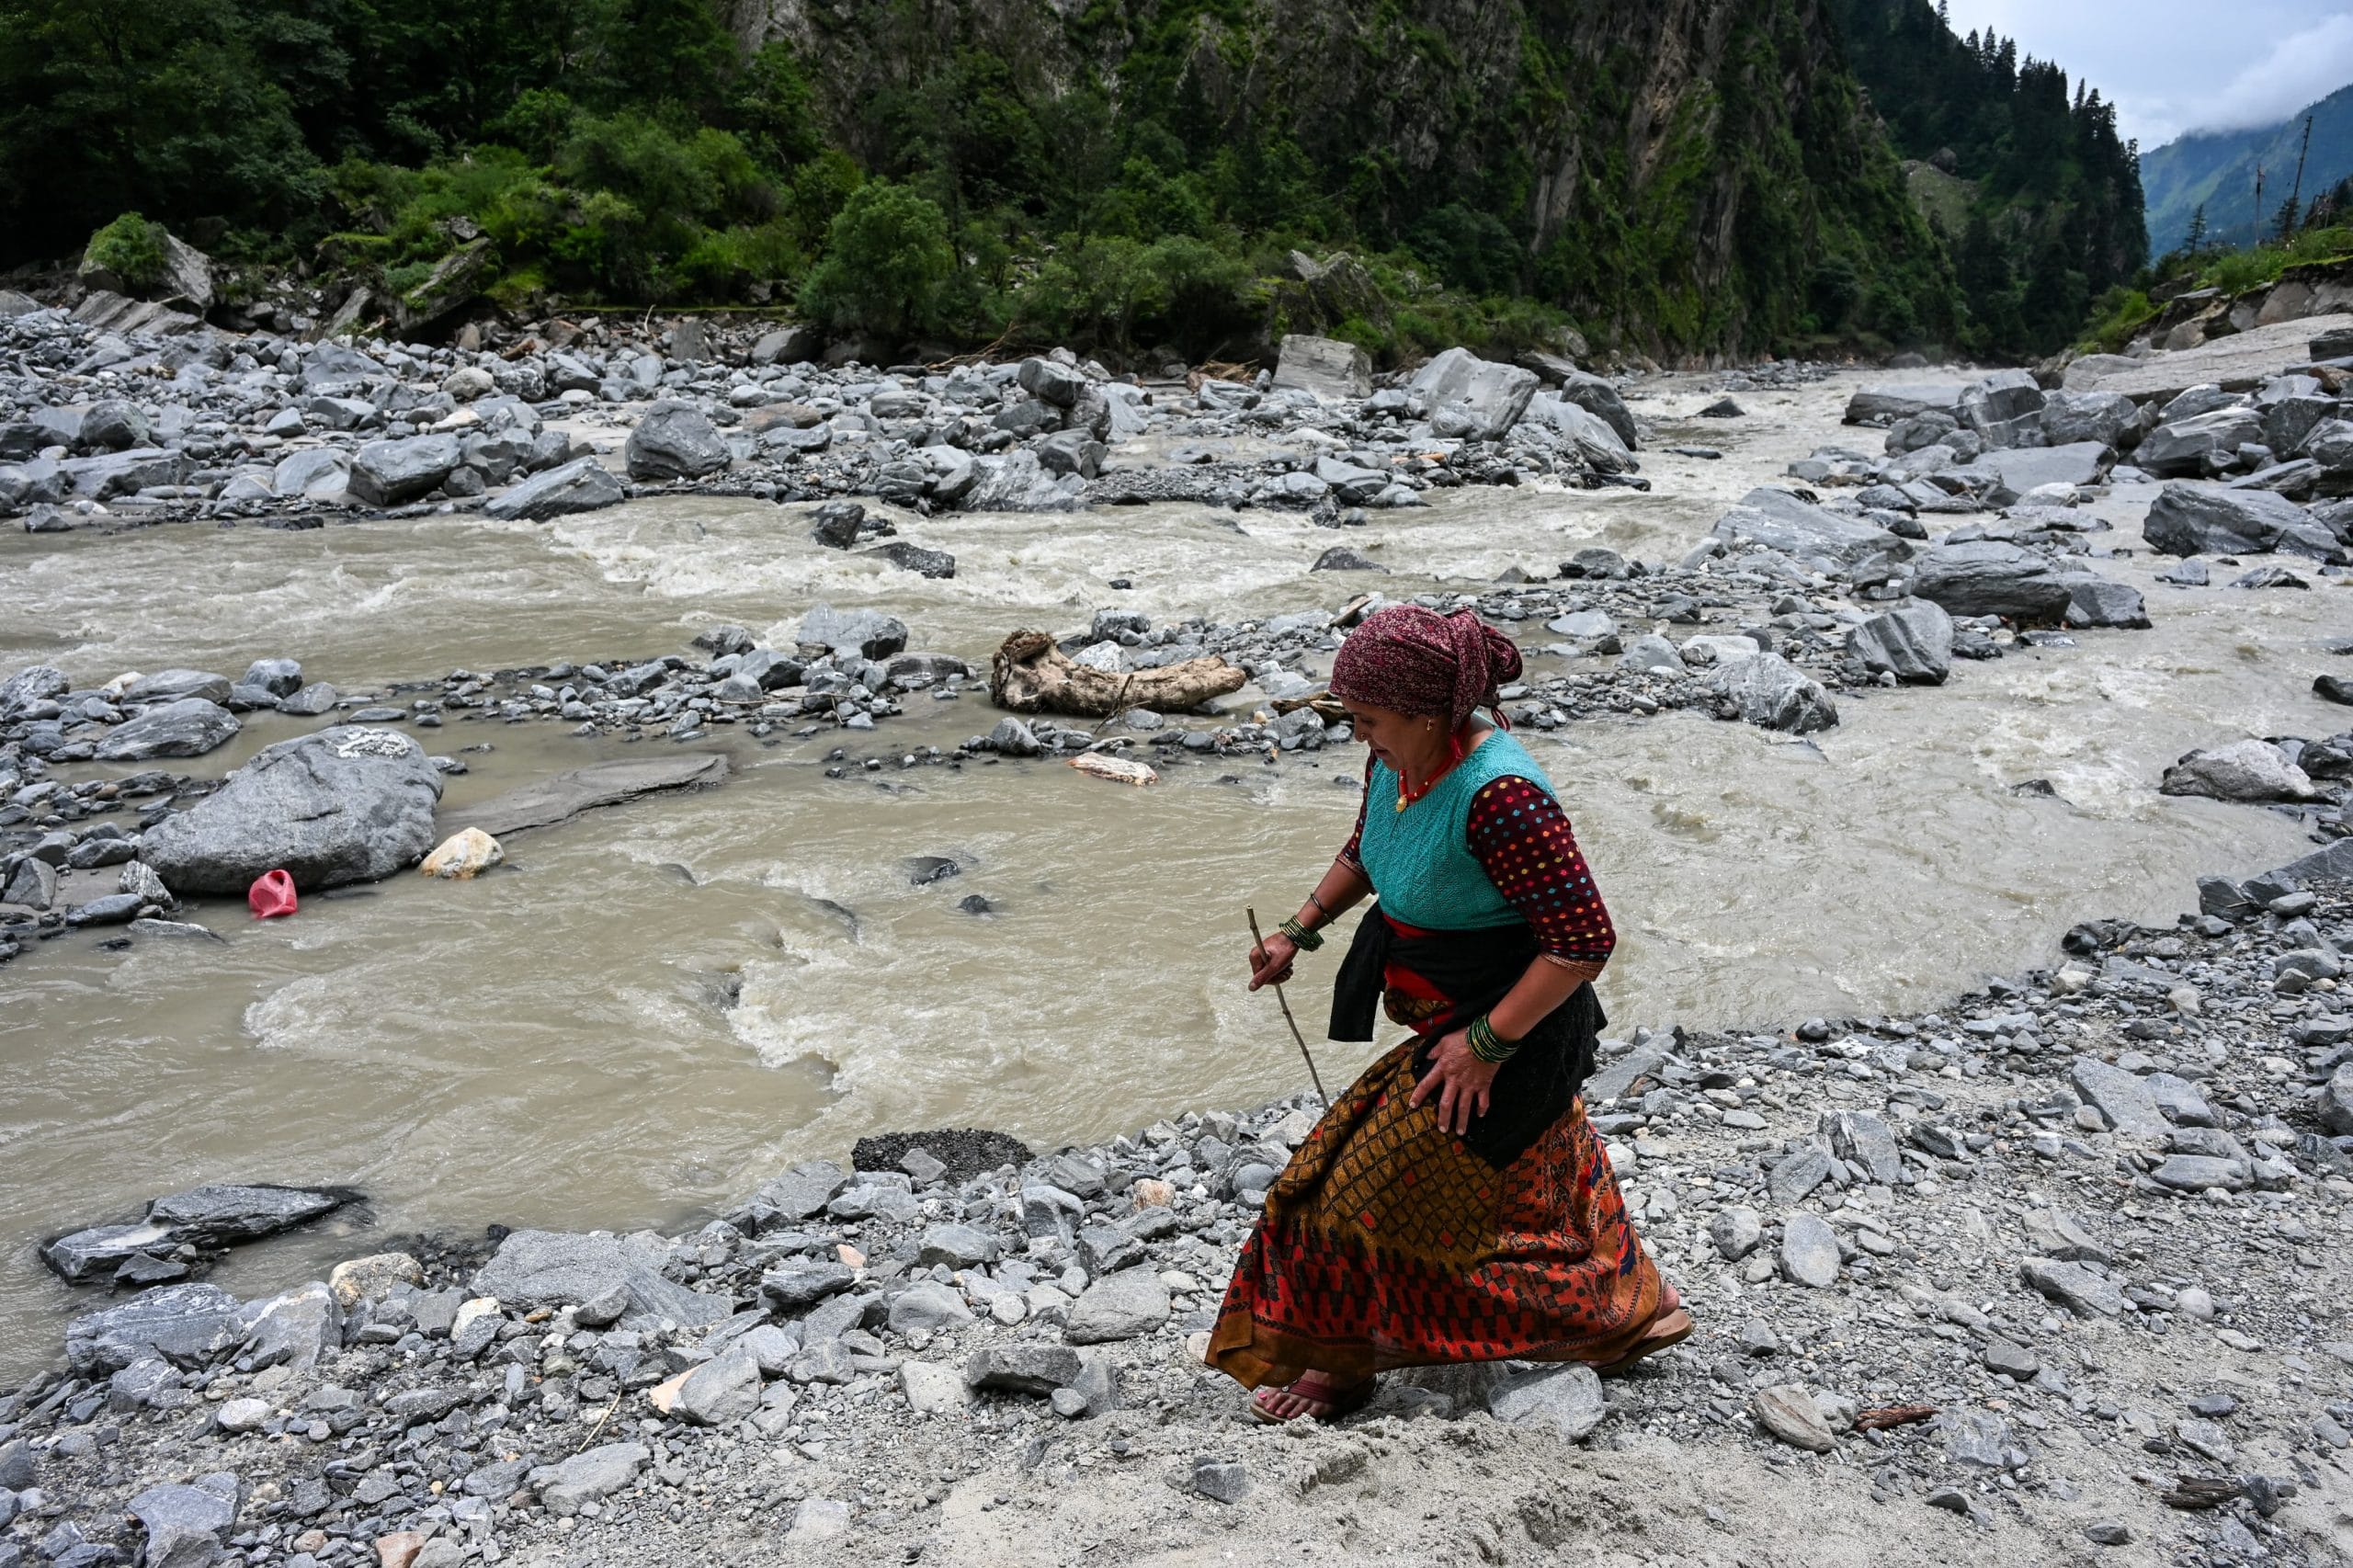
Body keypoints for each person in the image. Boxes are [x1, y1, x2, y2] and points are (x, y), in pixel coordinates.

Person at [1206, 604, 1689, 1423]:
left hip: (1511, 1033)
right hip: (1447, 1023)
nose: (1359, 736)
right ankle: (1640, 1302)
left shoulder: (1504, 799)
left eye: (1368, 720)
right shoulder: (1398, 763)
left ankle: (1348, 1359)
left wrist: (1484, 1048)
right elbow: (1368, 847)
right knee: (1527, 1184)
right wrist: (1298, 930)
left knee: (1345, 1198)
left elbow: (1582, 941)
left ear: (1429, 712)